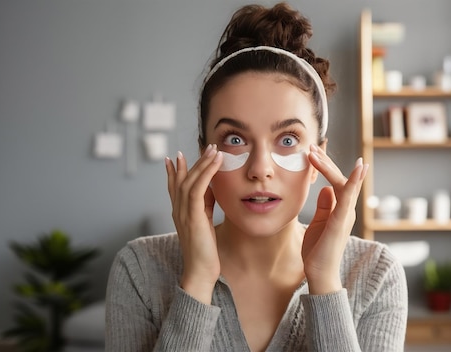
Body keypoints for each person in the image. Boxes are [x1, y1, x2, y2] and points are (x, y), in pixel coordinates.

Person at [105, 3, 407, 351]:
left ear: (318, 158)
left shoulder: (375, 273)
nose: (260, 168)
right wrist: (198, 280)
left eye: (288, 139)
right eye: (235, 139)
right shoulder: (139, 270)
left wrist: (324, 281)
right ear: (206, 153)